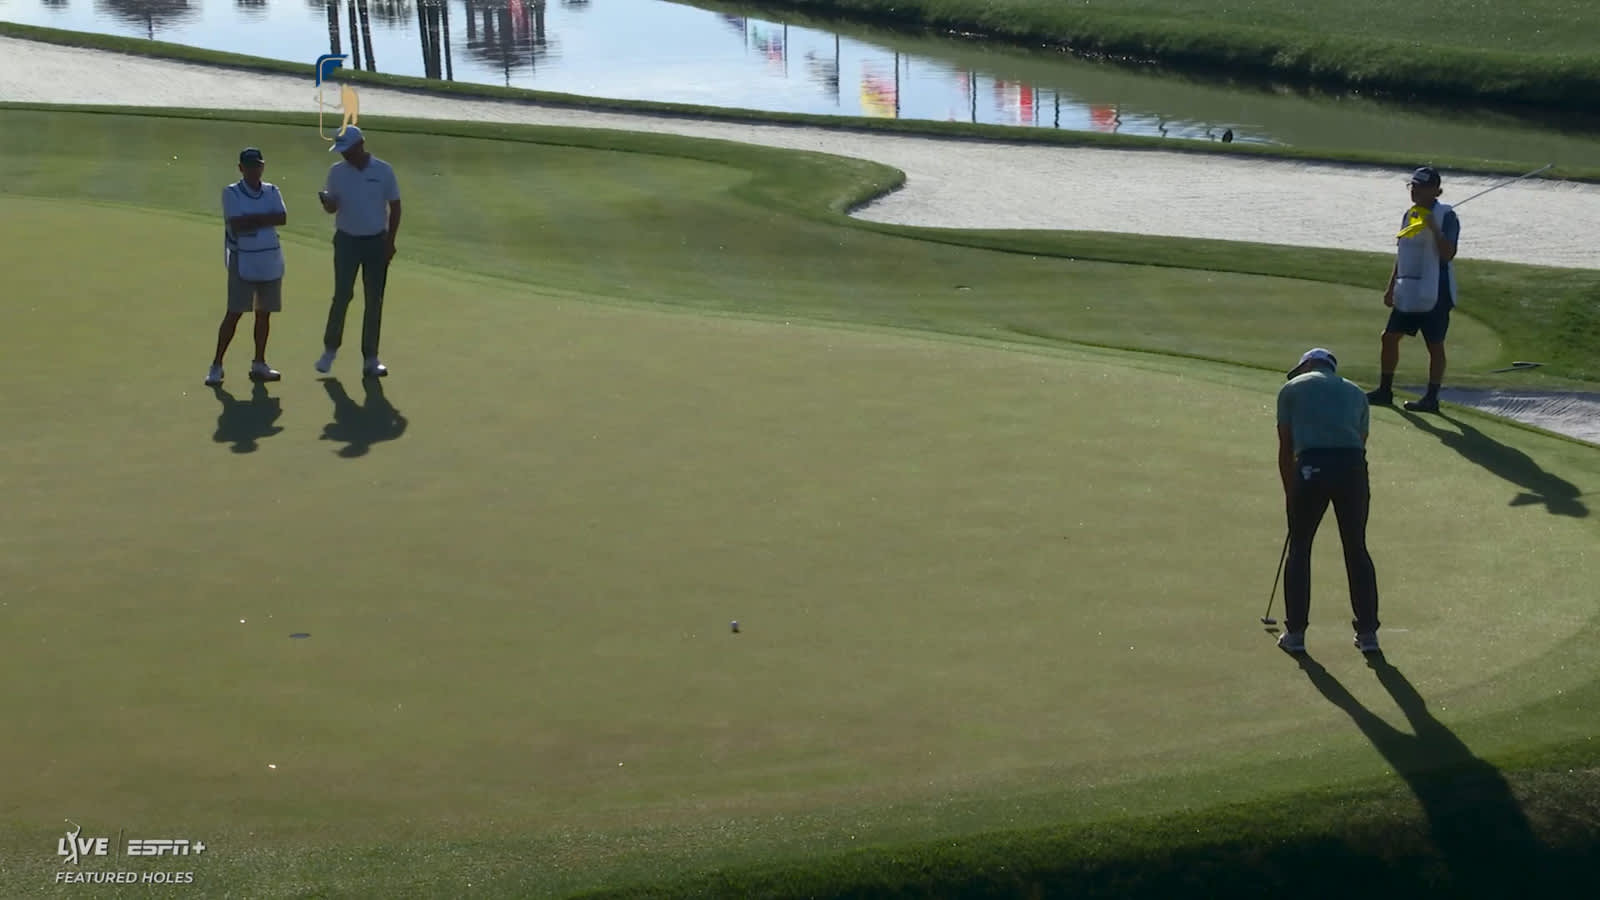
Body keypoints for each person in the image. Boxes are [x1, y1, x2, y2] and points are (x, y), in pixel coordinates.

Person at [1275, 348, 1382, 654]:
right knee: (1356, 548)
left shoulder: (1291, 389)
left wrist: (1290, 492)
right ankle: (1368, 635)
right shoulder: (1357, 393)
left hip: (1311, 467)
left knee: (1300, 547)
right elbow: (1360, 443)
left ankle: (1295, 634)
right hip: (1352, 470)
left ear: (1308, 364)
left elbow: (1286, 448)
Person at [1366, 166, 1460, 413]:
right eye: (1413, 186)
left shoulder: (1447, 216)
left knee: (1434, 345)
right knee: (1389, 337)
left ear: (1436, 190)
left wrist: (1434, 229)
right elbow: (1403, 253)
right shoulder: (1410, 215)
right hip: (1408, 287)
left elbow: (1448, 254)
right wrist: (1391, 287)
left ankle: (1431, 398)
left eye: (1421, 187)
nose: (1415, 191)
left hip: (1436, 290)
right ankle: (1385, 390)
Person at [316, 125, 402, 378]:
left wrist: (390, 242)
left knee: (374, 300)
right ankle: (330, 349)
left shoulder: (383, 170)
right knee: (342, 295)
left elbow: (395, 207)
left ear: (360, 145)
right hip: (346, 241)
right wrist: (328, 204)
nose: (344, 154)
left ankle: (370, 358)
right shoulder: (336, 172)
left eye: (347, 150)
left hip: (376, 241)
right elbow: (333, 208)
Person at [208, 147, 287, 386]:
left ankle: (259, 363)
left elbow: (281, 218)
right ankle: (217, 365)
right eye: (250, 166)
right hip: (242, 259)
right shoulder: (231, 192)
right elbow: (238, 224)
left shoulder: (272, 190)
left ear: (262, 166)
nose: (254, 170)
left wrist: (253, 219)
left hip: (269, 259)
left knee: (264, 314)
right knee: (234, 313)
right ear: (241, 168)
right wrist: (265, 218)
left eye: (258, 166)